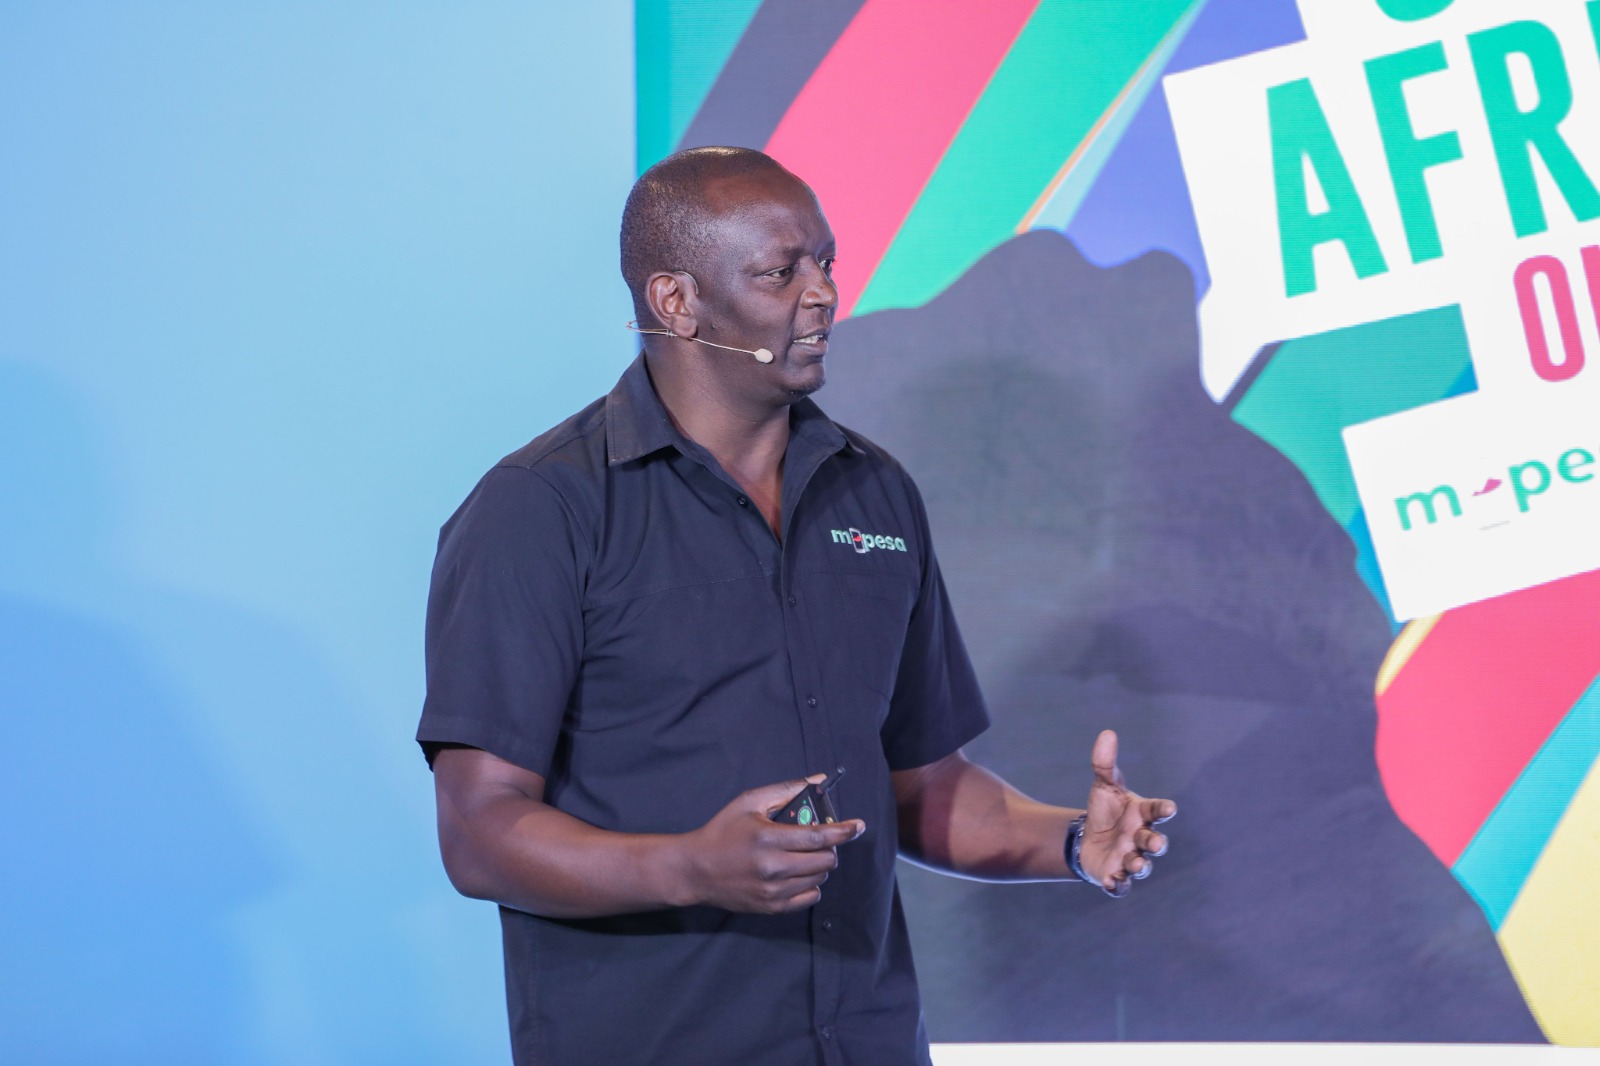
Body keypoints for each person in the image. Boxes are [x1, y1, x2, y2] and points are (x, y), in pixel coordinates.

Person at [418, 146, 1175, 1065]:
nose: (823, 294)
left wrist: (1071, 841)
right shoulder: (541, 510)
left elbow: (921, 786)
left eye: (827, 262)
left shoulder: (875, 492)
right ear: (675, 301)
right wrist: (691, 866)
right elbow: (479, 831)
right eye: (781, 272)